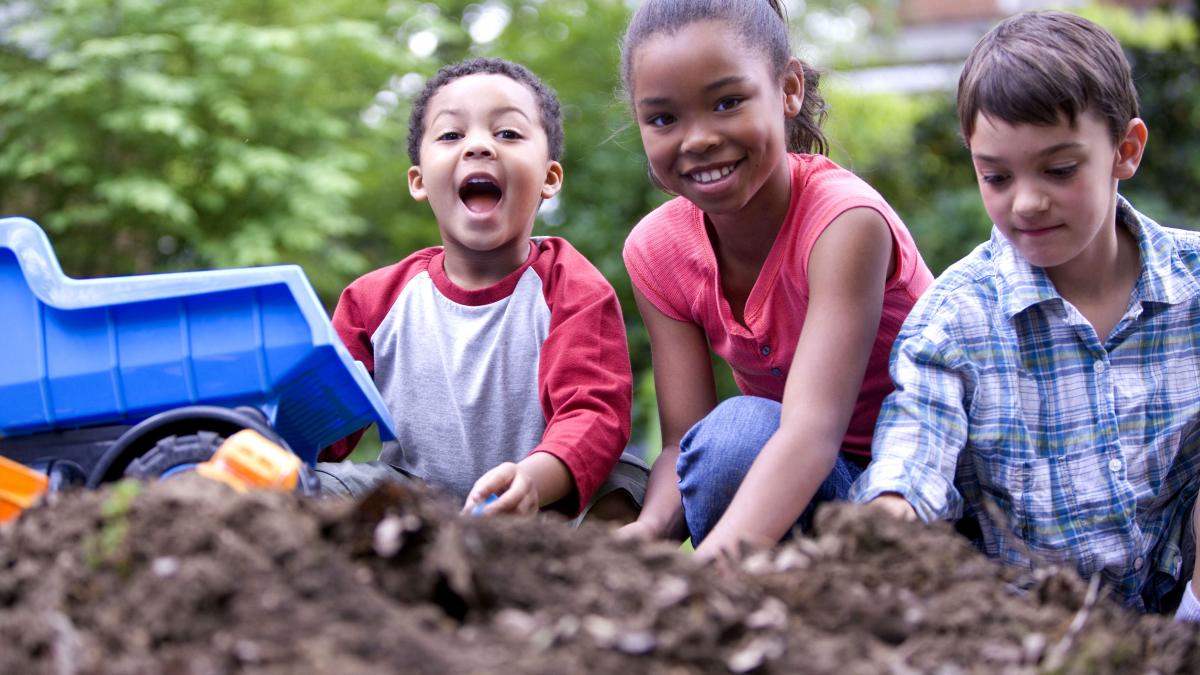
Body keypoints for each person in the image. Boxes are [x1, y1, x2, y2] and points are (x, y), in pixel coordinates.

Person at [851, 11, 1200, 617]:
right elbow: (917, 445)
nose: (1028, 202)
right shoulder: (954, 320)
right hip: (1026, 625)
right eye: (997, 176)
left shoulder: (1194, 282)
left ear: (1126, 150)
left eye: (1060, 170)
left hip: (1182, 600)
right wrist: (890, 512)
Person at [616, 0, 933, 560]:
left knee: (741, 435)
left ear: (788, 89)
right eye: (664, 118)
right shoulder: (658, 250)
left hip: (919, 493)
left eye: (727, 102)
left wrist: (706, 574)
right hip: (803, 487)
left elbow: (811, 431)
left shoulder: (844, 223)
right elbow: (679, 447)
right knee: (728, 442)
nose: (698, 139)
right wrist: (641, 538)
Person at [315, 58, 646, 524]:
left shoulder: (574, 288)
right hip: (410, 501)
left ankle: (567, 585)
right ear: (419, 181)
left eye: (508, 133)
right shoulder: (372, 300)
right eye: (451, 135)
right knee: (307, 486)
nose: (479, 146)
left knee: (631, 486)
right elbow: (322, 426)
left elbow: (593, 413)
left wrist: (534, 479)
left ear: (550, 178)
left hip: (540, 500)